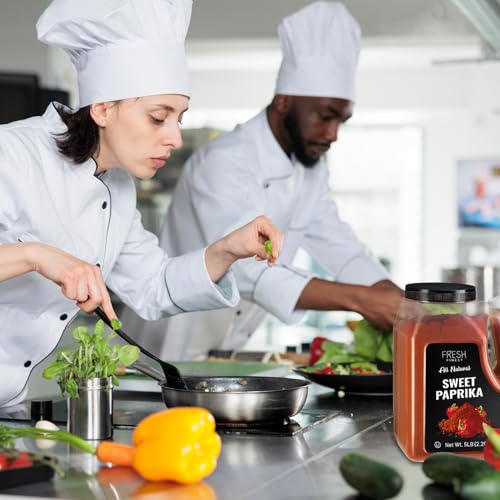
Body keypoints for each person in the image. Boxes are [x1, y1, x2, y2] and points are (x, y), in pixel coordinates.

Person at [0, 0, 282, 407]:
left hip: (10, 402)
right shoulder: (12, 154)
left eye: (179, 119)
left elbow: (154, 286)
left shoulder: (117, 186)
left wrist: (227, 249)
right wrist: (36, 255)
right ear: (103, 108)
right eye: (157, 117)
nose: (175, 138)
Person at [125, 0, 404, 361]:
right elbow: (244, 269)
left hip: (225, 352)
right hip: (161, 349)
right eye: (325, 116)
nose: (333, 134)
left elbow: (340, 245)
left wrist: (400, 302)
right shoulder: (224, 161)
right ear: (284, 101)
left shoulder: (310, 170)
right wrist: (361, 300)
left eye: (341, 121)